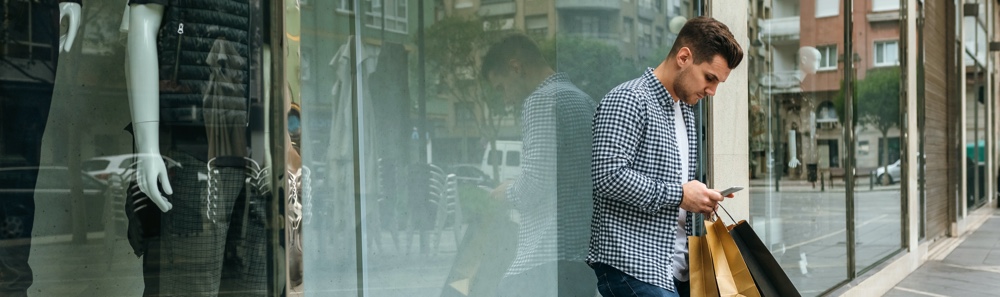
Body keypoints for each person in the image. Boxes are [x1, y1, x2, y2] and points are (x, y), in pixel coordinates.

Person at [588, 16, 743, 297]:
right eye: (710, 78)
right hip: (633, 266)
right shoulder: (628, 99)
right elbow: (607, 177)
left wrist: (700, 199)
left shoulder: (684, 110)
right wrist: (681, 195)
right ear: (684, 56)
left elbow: (673, 186)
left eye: (718, 83)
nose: (712, 91)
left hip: (677, 267)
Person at [481, 34, 598, 296]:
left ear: (515, 68)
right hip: (584, 259)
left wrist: (505, 192)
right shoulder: (585, 101)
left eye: (501, 88)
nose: (507, 99)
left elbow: (534, 184)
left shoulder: (542, 101)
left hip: (547, 257)